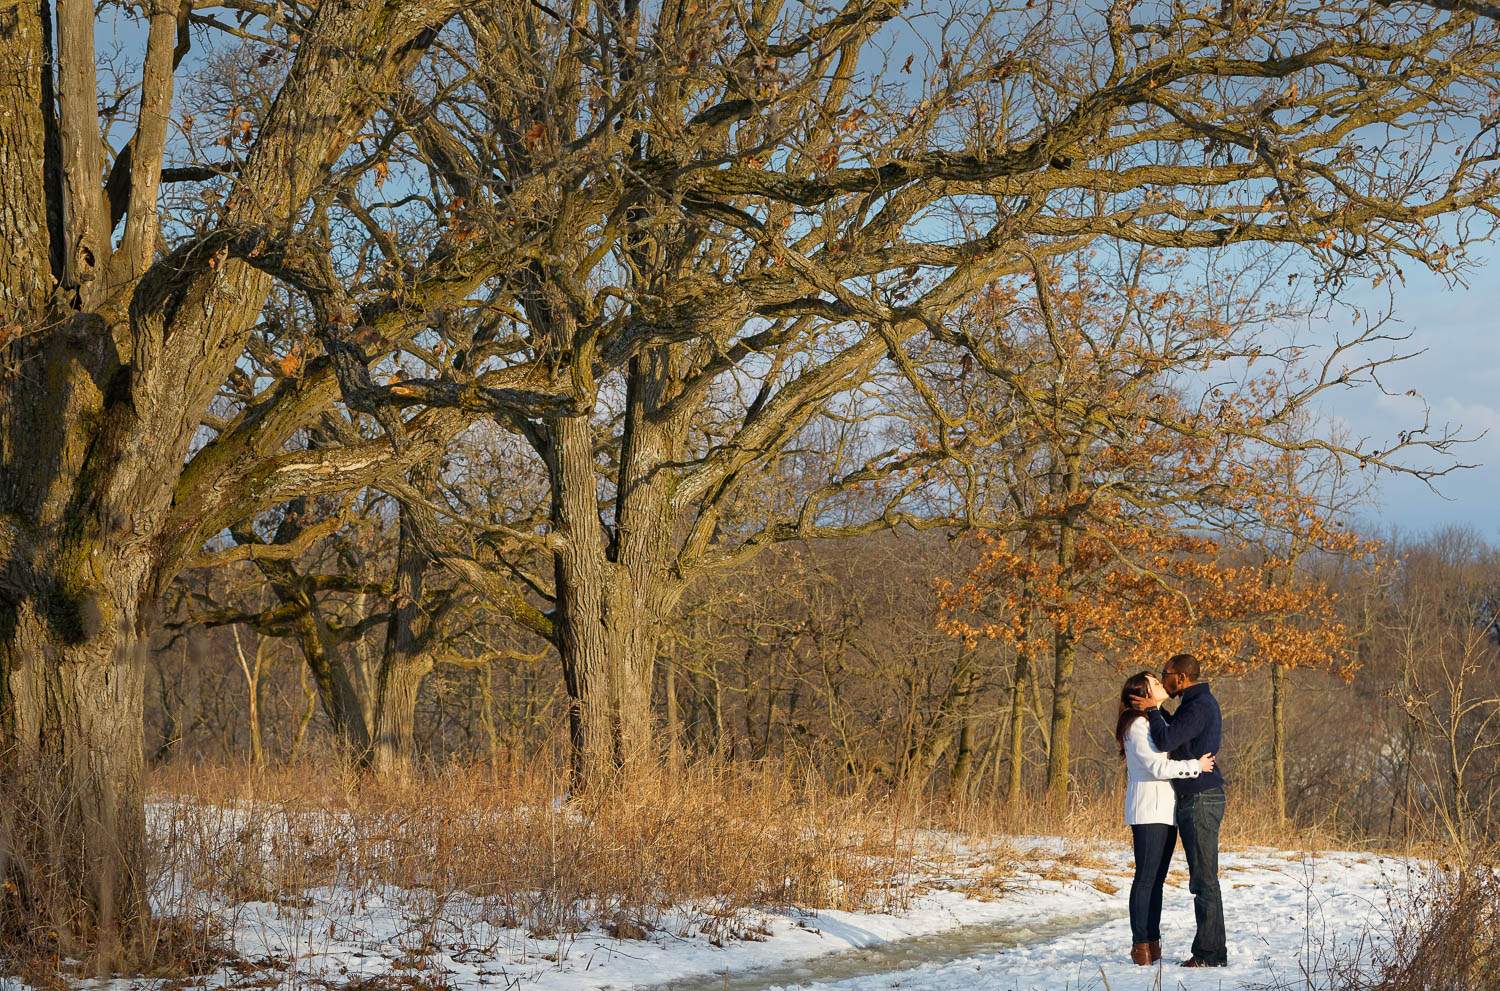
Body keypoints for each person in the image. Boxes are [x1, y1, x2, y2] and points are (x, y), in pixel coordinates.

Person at [1131, 652, 1227, 968]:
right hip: (1194, 798)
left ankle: (1209, 954)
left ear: (1180, 678)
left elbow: (1168, 737)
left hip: (1201, 798)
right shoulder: (1192, 705)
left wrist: (1155, 709)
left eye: (1165, 674)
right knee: (1202, 879)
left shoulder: (1199, 706)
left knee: (1203, 880)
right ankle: (1210, 952)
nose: (1164, 680)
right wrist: (1157, 712)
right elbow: (1175, 733)